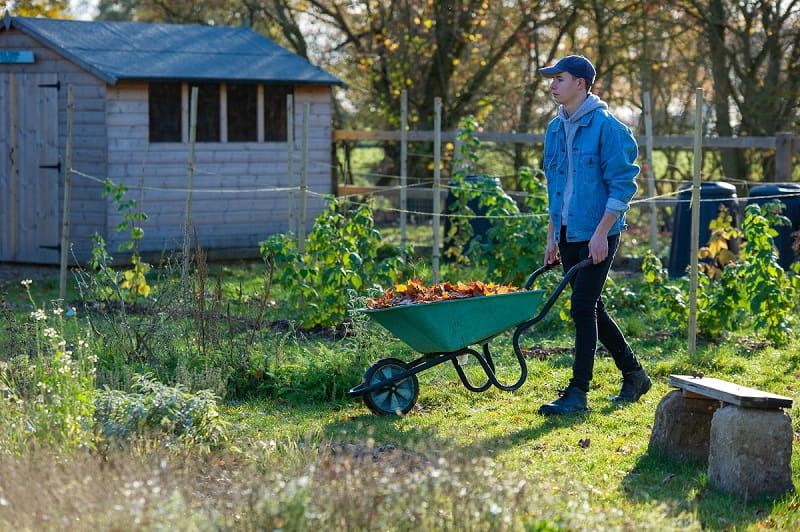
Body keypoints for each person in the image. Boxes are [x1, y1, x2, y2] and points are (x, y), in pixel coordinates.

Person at [537, 55, 651, 415]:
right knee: (591, 306)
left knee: (582, 306)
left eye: (560, 78)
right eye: (552, 79)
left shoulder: (608, 128)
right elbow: (556, 185)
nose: (553, 84)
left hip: (599, 231)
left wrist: (601, 234)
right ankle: (634, 374)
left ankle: (577, 392)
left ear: (581, 84)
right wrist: (552, 235)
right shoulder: (555, 129)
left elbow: (622, 184)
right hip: (569, 230)